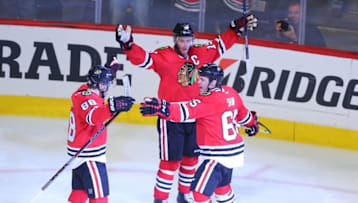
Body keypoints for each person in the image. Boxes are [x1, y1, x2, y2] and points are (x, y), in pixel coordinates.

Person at [115, 15, 257, 203]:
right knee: (170, 163)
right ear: (175, 39)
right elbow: (144, 59)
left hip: (197, 119)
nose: (185, 44)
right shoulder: (165, 55)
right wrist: (128, 44)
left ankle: (184, 195)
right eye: (182, 40)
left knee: (191, 160)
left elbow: (221, 44)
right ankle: (160, 199)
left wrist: (234, 29)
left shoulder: (201, 52)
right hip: (171, 118)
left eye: (189, 40)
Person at [140, 63, 259, 203]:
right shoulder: (230, 92)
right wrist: (252, 124)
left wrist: (163, 108)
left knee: (199, 193)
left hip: (218, 156)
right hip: (233, 154)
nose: (198, 82)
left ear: (213, 82)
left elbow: (186, 111)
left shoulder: (208, 99)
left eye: (202, 79)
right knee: (222, 189)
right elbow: (244, 117)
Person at [67, 58, 135, 203]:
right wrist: (114, 105)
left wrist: (109, 70)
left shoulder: (83, 92)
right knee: (100, 197)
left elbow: (96, 98)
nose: (109, 86)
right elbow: (93, 116)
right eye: (107, 84)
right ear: (101, 84)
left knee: (80, 191)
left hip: (79, 154)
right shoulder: (88, 100)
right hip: (89, 156)